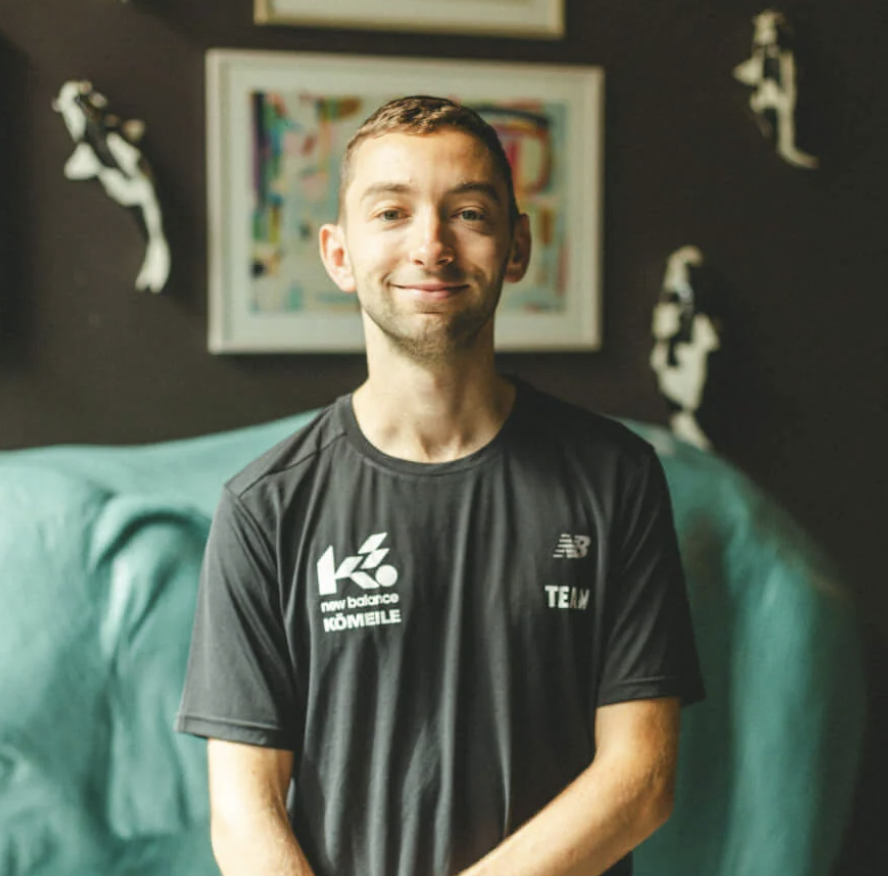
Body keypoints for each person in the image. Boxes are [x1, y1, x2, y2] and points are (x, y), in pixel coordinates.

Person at [175, 95, 705, 876]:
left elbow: (641, 780)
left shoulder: (615, 478)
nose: (431, 245)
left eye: (468, 213)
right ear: (338, 254)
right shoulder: (265, 508)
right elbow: (244, 810)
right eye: (392, 213)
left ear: (516, 247)